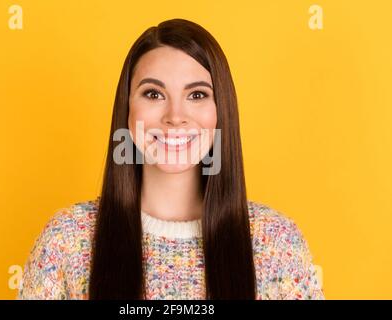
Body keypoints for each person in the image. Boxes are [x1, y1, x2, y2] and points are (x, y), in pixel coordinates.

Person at [17, 18, 324, 300]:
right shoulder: (67, 241)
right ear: (127, 109)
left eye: (197, 95)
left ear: (221, 112)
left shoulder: (277, 245)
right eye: (153, 94)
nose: (175, 117)